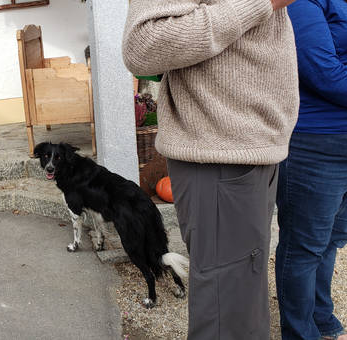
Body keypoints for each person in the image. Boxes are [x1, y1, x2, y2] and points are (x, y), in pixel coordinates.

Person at [122, 0, 299, 339]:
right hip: (221, 153)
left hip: (249, 148)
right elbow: (144, 45)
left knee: (242, 297)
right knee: (227, 311)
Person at [275, 1, 347, 339]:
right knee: (304, 247)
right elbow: (320, 70)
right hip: (318, 145)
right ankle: (300, 333)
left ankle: (322, 320)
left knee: (333, 238)